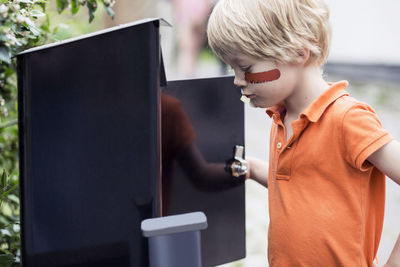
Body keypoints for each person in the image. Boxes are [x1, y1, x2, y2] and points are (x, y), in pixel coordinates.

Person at [207, 0, 400, 266]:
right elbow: (301, 183)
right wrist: (251, 168)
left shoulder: (347, 119)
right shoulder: (280, 117)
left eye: (246, 68)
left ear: (298, 52)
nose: (237, 81)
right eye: (232, 69)